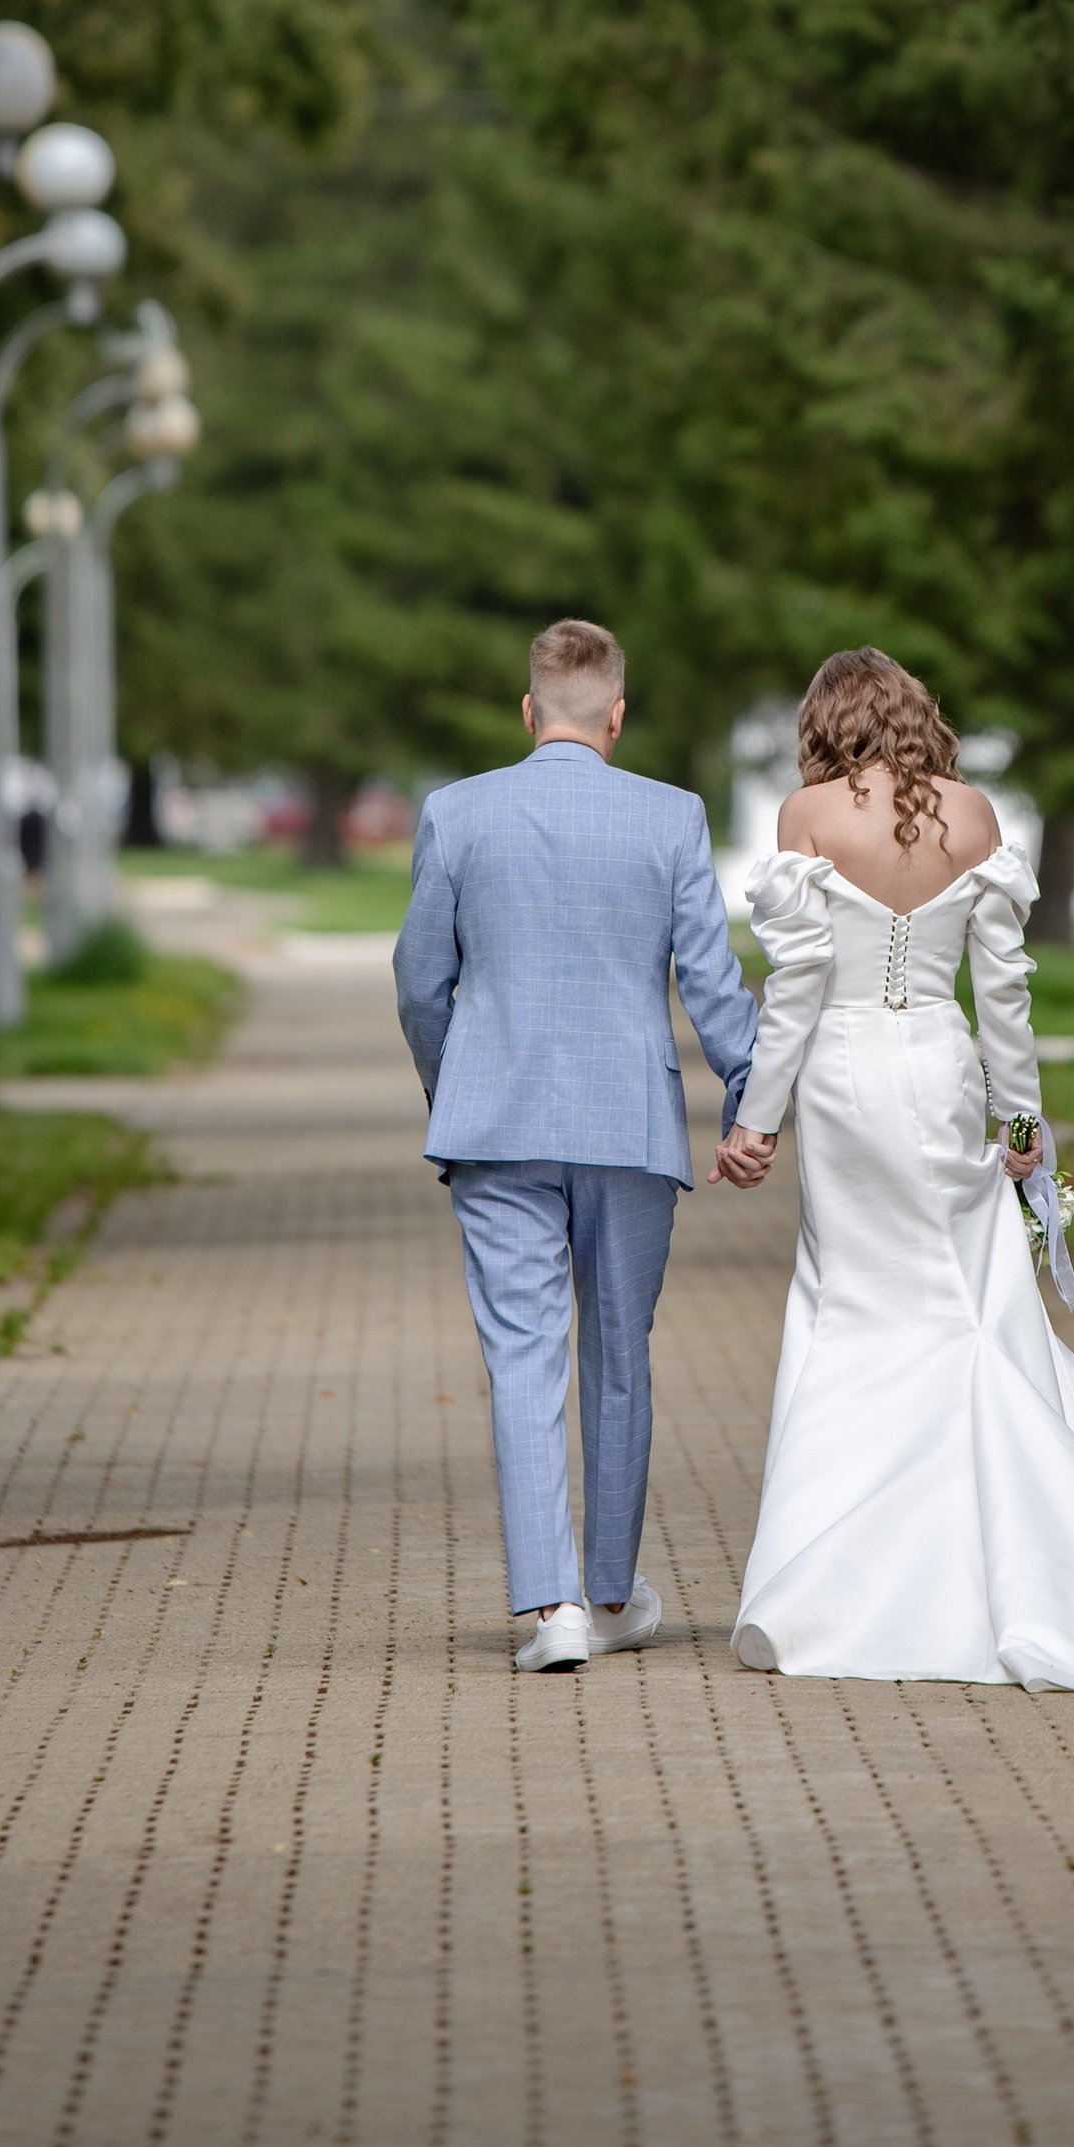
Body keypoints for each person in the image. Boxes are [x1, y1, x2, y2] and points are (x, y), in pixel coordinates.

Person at [717, 648, 1074, 1696]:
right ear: (915, 715)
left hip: (844, 1082)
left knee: (852, 1305)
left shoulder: (805, 818)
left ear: (822, 722)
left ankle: (838, 1582)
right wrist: (1019, 1115)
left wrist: (757, 1120)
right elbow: (1004, 993)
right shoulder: (972, 820)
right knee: (967, 1307)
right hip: (939, 1065)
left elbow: (794, 989)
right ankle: (1009, 1555)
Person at [395, 616, 760, 1674]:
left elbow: (421, 979)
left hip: (495, 1121)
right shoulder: (671, 818)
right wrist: (748, 1097)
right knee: (616, 1354)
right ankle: (609, 1594)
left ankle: (547, 1606)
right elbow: (710, 982)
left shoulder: (456, 813)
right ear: (615, 715)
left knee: (520, 1353)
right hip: (629, 1123)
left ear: (527, 712)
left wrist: (449, 1085)